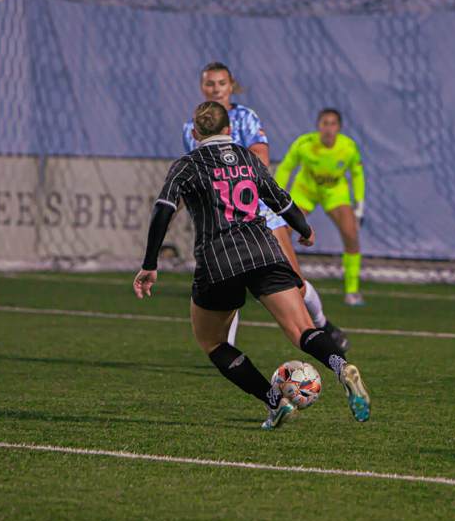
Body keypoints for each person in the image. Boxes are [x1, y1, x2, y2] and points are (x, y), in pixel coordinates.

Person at [136, 101, 370, 429]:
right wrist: (303, 228)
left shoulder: (187, 165)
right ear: (229, 130)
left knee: (213, 342)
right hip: (264, 251)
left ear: (194, 133)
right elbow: (280, 199)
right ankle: (340, 366)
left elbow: (163, 209)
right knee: (302, 329)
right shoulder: (248, 157)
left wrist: (149, 264)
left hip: (219, 261)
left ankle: (275, 402)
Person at [183, 63, 349, 350]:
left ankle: (322, 323)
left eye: (221, 83)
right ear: (202, 87)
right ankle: (227, 351)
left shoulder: (245, 118)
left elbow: (260, 158)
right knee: (226, 286)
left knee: (294, 283)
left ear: (230, 85)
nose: (216, 89)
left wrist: (229, 170)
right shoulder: (191, 127)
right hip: (223, 218)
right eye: (210, 84)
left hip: (260, 212)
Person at [275, 109, 366, 306]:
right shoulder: (305, 144)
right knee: (281, 233)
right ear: (318, 126)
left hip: (335, 193)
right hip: (305, 191)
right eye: (325, 123)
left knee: (351, 234)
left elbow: (357, 174)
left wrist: (359, 204)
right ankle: (279, 285)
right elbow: (286, 167)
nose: (328, 129)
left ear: (339, 127)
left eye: (333, 124)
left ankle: (352, 291)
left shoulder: (348, 147)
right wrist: (277, 194)